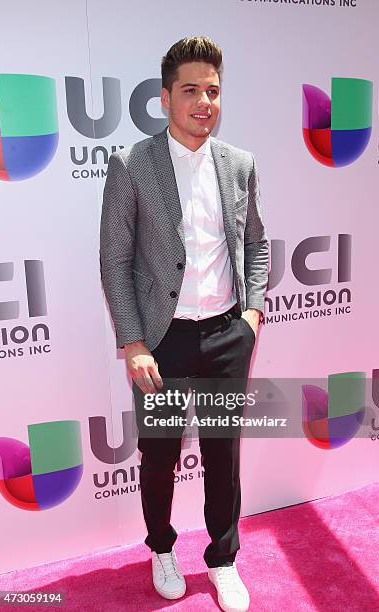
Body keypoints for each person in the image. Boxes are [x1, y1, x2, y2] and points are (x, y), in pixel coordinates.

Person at [100, 36, 269, 612]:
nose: (204, 101)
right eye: (191, 90)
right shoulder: (131, 165)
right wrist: (134, 339)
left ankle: (222, 561)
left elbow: (255, 244)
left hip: (226, 334)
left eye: (213, 90)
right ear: (166, 97)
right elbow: (115, 260)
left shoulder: (239, 164)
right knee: (161, 453)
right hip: (163, 342)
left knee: (223, 453)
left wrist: (251, 312)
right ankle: (161, 548)